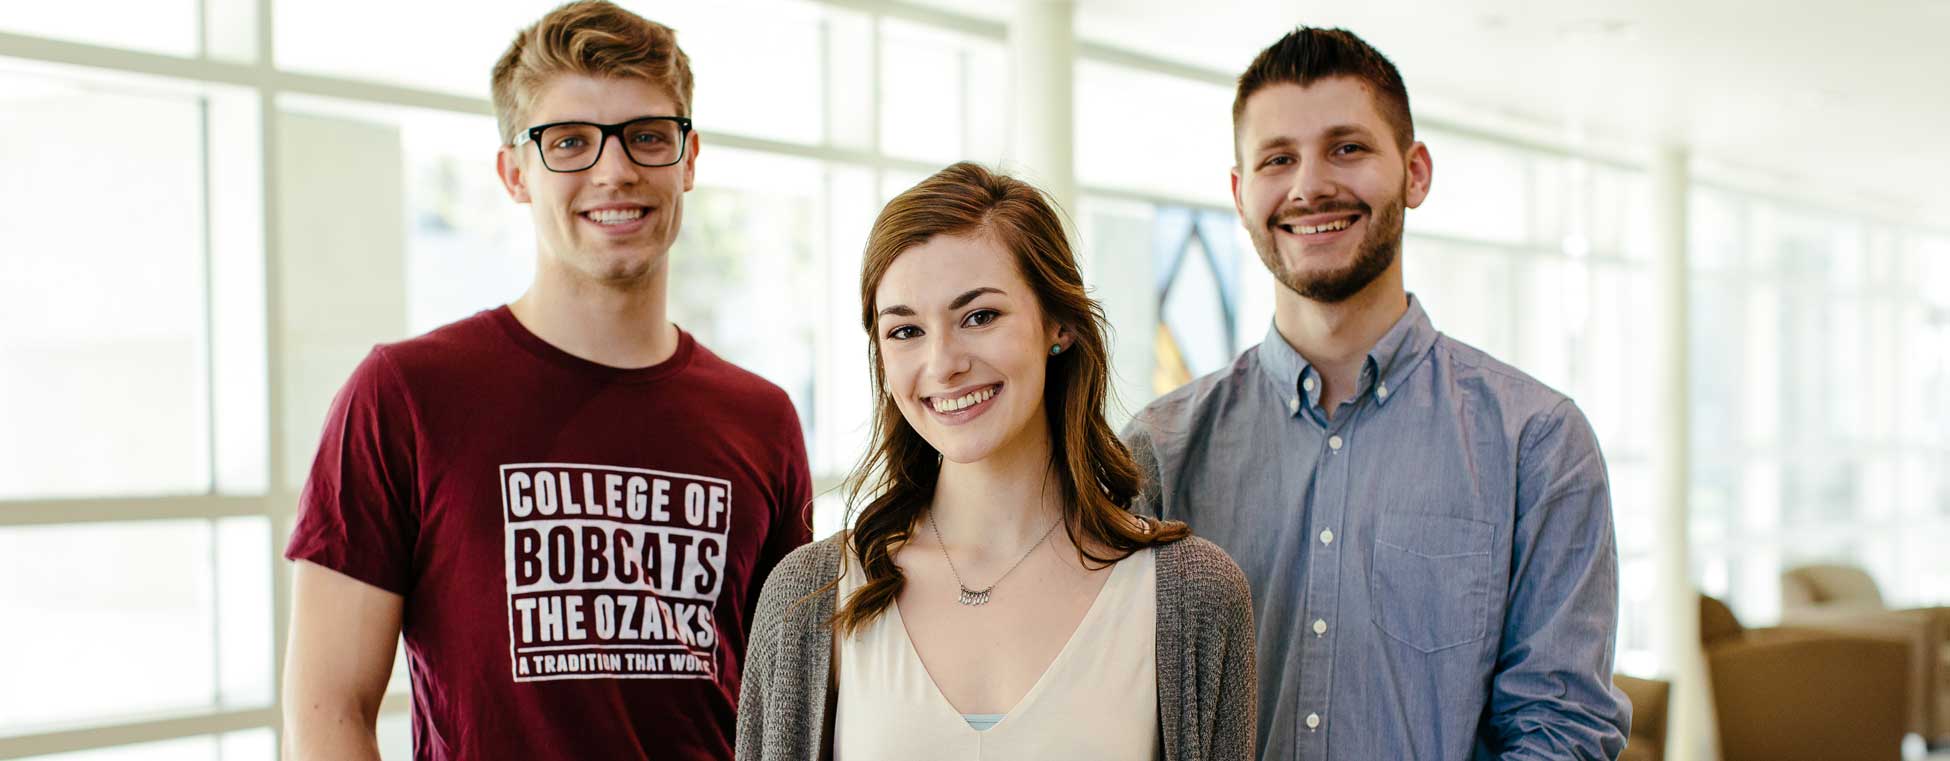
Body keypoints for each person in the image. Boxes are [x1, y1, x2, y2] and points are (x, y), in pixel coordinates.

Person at [280, 3, 811, 759]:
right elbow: (328, 708)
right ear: (514, 172)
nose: (615, 170)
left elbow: (781, 712)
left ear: (689, 159)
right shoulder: (403, 395)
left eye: (648, 137)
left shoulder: (762, 419)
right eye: (569, 142)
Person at [1122, 27, 1631, 761]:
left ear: (1415, 173)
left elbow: (1564, 732)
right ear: (1240, 194)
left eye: (1347, 148)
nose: (1309, 185)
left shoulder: (1539, 443)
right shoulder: (1161, 451)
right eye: (1277, 159)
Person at [736, 162, 1256, 760]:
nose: (943, 363)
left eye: (979, 317)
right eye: (905, 331)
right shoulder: (809, 596)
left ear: (1058, 325)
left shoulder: (1194, 596)